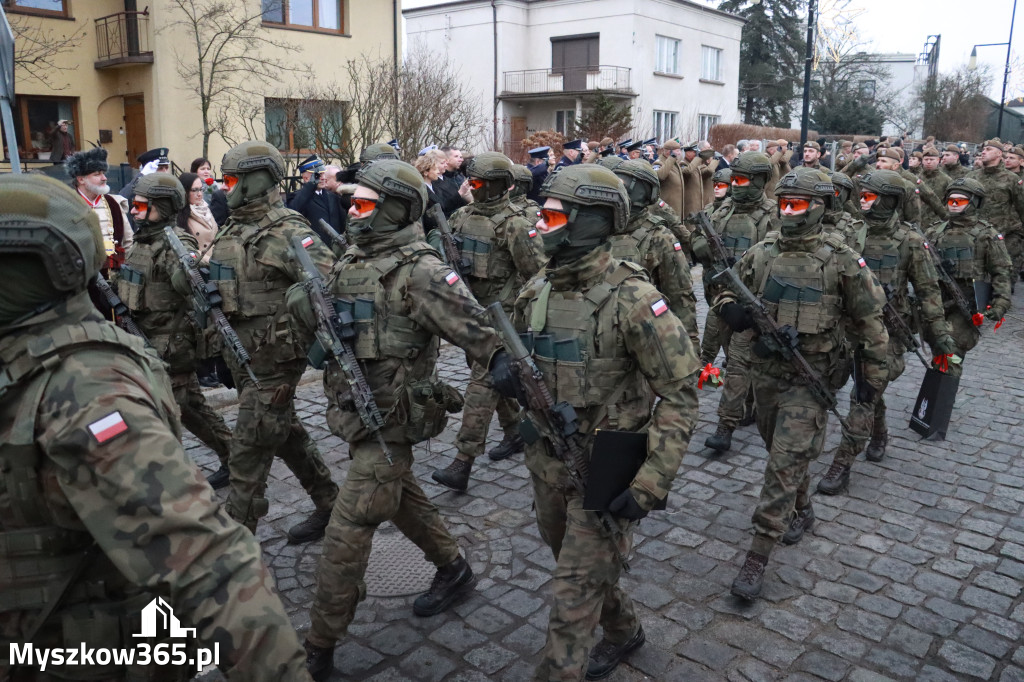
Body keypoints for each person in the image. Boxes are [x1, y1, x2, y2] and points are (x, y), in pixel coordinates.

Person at [0, 173, 312, 681]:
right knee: (255, 427)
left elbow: (203, 303)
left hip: (188, 358)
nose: (138, 212)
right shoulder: (141, 250)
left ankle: (257, 486)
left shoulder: (86, 391)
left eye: (147, 205)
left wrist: (206, 346)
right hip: (159, 354)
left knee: (248, 432)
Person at [299, 160, 503, 680]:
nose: (353, 211)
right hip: (355, 408)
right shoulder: (354, 255)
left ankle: (319, 643)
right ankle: (453, 567)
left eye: (364, 203)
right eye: (353, 202)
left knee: (349, 525)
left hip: (393, 417)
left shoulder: (423, 271)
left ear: (394, 208)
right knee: (401, 494)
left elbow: (487, 342)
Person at [499, 164, 699, 680]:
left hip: (604, 474)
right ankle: (624, 631)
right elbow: (517, 352)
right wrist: (503, 369)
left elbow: (680, 395)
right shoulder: (538, 287)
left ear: (590, 221)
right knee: (571, 560)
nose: (539, 226)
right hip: (548, 465)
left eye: (551, 215)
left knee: (571, 601)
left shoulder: (634, 300)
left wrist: (651, 482)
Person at [715, 168, 889, 600]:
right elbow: (724, 289)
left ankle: (757, 553)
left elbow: (871, 326)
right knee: (783, 454)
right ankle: (803, 509)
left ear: (820, 208)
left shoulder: (842, 259)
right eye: (784, 203)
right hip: (766, 376)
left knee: (783, 463)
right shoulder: (762, 253)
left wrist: (872, 381)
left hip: (812, 379)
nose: (788, 212)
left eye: (798, 204)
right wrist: (730, 310)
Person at [209, 140, 339, 542]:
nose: (224, 187)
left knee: (247, 455)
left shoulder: (288, 231)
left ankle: (232, 553)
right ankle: (331, 505)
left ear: (257, 180)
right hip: (243, 357)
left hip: (276, 361)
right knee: (285, 433)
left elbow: (329, 290)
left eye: (231, 180)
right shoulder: (234, 227)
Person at [817, 170, 955, 495]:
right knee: (861, 391)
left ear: (890, 200)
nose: (863, 202)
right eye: (861, 196)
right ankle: (878, 432)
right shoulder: (849, 232)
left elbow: (928, 292)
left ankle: (842, 463)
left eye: (870, 196)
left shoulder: (910, 241)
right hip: (846, 327)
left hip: (888, 334)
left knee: (862, 394)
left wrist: (941, 338)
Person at [431, 152, 547, 491]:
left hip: (503, 318)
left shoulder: (515, 224)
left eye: (478, 182)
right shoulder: (461, 217)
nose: (470, 186)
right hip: (472, 315)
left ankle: (462, 461)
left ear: (496, 185)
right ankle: (515, 432)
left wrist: (522, 322)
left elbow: (537, 275)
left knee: (480, 388)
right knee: (498, 382)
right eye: (470, 180)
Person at [118, 173, 234, 490]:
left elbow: (187, 275)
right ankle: (235, 457)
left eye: (142, 205)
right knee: (192, 409)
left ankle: (170, 484)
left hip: (171, 347)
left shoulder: (173, 242)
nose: (135, 210)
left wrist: (189, 267)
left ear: (162, 206)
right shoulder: (142, 242)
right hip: (145, 343)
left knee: (168, 414)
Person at [692, 152, 779, 449]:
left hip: (752, 304)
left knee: (738, 364)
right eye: (735, 180)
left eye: (743, 180)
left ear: (759, 181)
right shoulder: (720, 210)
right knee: (732, 357)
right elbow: (696, 241)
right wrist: (708, 249)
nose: (737, 186)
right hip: (720, 300)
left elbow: (779, 259)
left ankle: (725, 425)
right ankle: (750, 405)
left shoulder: (774, 215)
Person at [924, 178, 1012, 377]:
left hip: (966, 305)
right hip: (935, 301)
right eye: (951, 200)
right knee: (937, 348)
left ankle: (940, 401)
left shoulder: (986, 235)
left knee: (950, 352)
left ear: (974, 203)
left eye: (960, 201)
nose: (953, 204)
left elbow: (1002, 272)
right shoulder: (934, 231)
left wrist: (1000, 303)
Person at [609, 159, 700, 346]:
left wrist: (689, 350)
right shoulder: (598, 229)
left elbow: (680, 299)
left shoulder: (660, 238)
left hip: (645, 339)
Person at [178, 171, 227, 390]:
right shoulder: (182, 216)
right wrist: (208, 261)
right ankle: (203, 370)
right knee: (201, 322)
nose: (199, 194)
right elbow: (188, 248)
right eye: (194, 190)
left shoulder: (206, 209)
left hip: (213, 269)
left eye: (201, 189)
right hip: (198, 271)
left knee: (216, 321)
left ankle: (214, 366)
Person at [65, 147, 133, 280]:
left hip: (115, 277)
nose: (104, 178)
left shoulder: (113, 203)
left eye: (103, 173)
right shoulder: (67, 206)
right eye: (97, 174)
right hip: (80, 281)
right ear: (81, 179)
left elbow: (128, 242)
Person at [967, 138, 1024, 281]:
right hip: (971, 235)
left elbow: (1021, 207)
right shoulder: (971, 176)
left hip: (998, 237)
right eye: (983, 149)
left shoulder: (1011, 179)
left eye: (988, 149)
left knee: (997, 279)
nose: (983, 152)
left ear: (999, 154)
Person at [288, 156, 346, 247]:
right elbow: (293, 212)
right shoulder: (299, 197)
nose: (323, 178)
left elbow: (343, 223)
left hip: (337, 249)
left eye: (323, 174)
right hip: (315, 250)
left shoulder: (333, 197)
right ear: (306, 178)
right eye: (318, 175)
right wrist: (310, 186)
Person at [192, 156, 229, 225]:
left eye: (208, 169)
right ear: (195, 171)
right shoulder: (191, 188)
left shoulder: (218, 186)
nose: (206, 171)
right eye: (202, 169)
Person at [656, 140, 686, 218]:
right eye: (677, 151)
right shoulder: (659, 162)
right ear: (669, 152)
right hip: (667, 209)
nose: (679, 153)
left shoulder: (675, 163)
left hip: (677, 207)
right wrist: (672, 158)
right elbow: (661, 176)